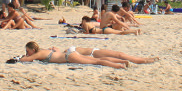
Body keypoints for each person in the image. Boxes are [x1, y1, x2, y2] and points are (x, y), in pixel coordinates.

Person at [18, 41, 157, 69]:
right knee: (99, 59)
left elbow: (25, 60)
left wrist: (22, 57)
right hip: (70, 54)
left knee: (97, 61)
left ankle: (119, 65)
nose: (27, 53)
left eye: (27, 51)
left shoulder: (37, 54)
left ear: (32, 49)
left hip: (69, 57)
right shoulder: (45, 51)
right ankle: (121, 63)